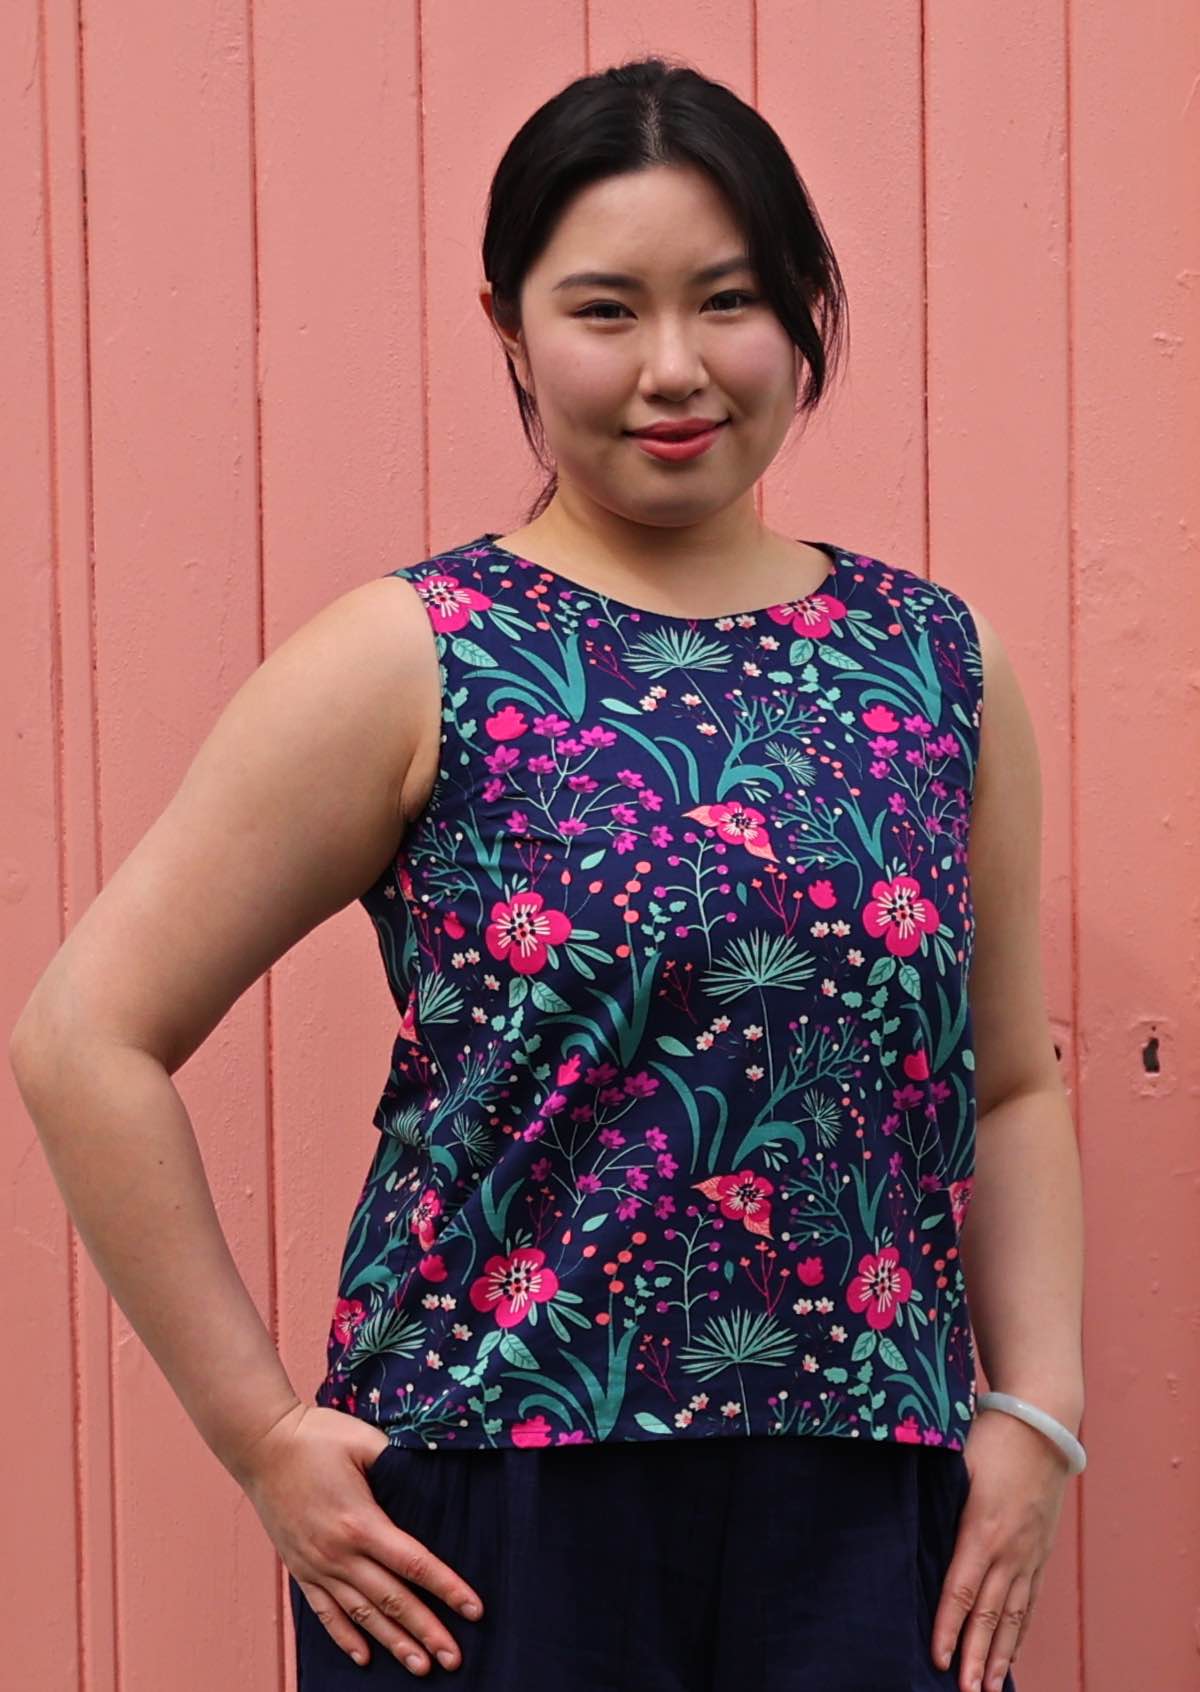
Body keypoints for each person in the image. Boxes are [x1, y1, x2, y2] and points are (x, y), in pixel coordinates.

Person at [9, 54, 1085, 1692]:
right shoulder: (415, 657)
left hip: (869, 1512)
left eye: (728, 300)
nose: (674, 368)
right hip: (489, 1513)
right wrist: (260, 1437)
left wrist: (1037, 1410)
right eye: (605, 310)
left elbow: (1005, 1083)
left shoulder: (940, 664)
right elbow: (85, 1037)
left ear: (805, 307)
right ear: (511, 326)